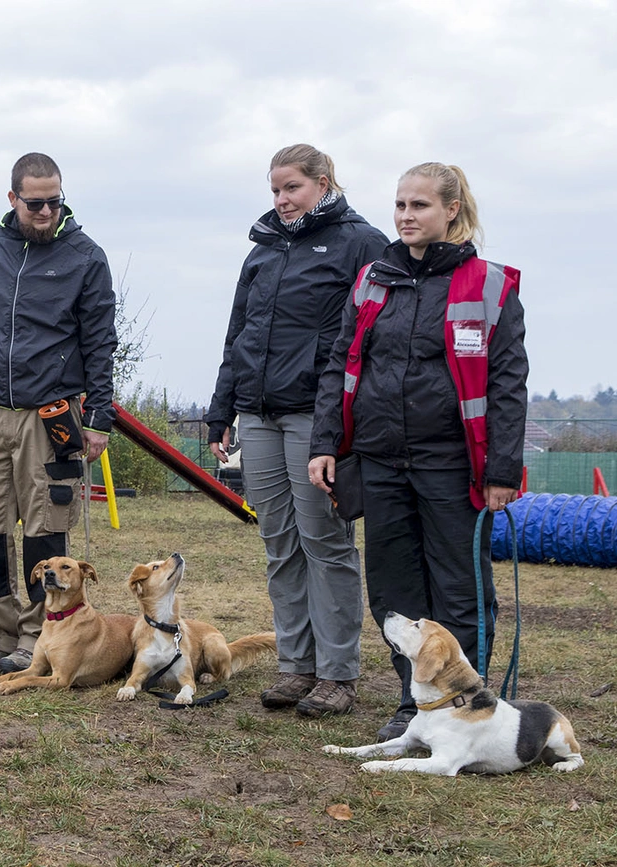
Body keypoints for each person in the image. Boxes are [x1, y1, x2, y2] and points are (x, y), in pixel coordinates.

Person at [309, 162, 527, 741]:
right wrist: (325, 442)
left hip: (452, 464)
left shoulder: (490, 285)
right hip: (379, 460)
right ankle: (414, 702)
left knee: (458, 587)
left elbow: (507, 382)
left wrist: (502, 468)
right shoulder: (372, 280)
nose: (406, 216)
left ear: (450, 210)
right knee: (396, 592)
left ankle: (470, 702)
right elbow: (340, 365)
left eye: (420, 206)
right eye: (401, 205)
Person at [204, 145, 388, 718]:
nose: (282, 200)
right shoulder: (262, 251)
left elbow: (369, 340)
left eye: (292, 188)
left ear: (323, 183)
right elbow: (240, 334)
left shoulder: (363, 243)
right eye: (275, 190)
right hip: (258, 414)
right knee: (279, 543)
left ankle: (337, 674)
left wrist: (342, 425)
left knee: (326, 544)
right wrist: (220, 410)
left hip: (317, 415)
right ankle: (295, 665)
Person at [0, 152, 118, 674]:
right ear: (13, 198)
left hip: (53, 415)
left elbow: (101, 342)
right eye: (35, 202)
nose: (45, 211)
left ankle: (34, 636)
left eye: (54, 201)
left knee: (45, 526)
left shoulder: (86, 257)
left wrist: (100, 417)